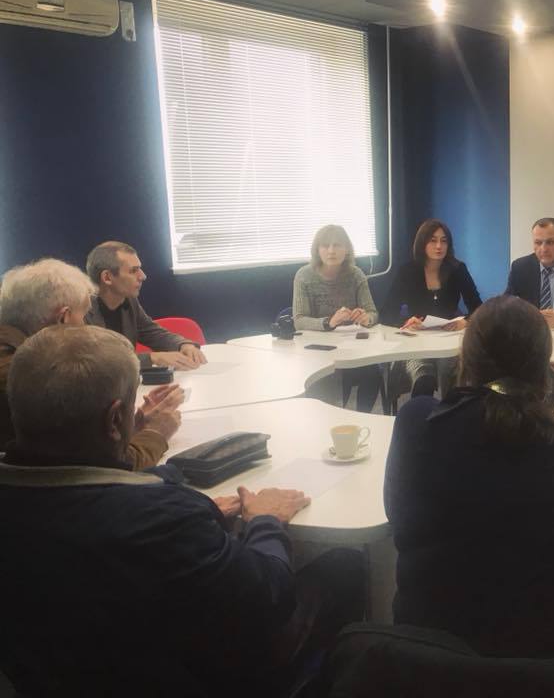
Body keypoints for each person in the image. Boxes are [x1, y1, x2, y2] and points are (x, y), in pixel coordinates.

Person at [0, 325, 364, 696]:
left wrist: (179, 490)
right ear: (114, 421)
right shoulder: (163, 520)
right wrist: (265, 521)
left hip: (55, 671)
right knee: (345, 563)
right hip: (191, 674)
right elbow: (270, 598)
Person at [384, 295, 554, 696]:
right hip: (553, 662)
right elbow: (528, 430)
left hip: (429, 658)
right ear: (545, 364)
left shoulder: (417, 422)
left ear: (465, 358)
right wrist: (548, 399)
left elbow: (398, 513)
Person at [0, 258, 182, 470]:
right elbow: (104, 466)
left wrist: (126, 426)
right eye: (85, 316)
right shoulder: (39, 377)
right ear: (63, 320)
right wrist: (156, 434)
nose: (86, 325)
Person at [381, 219, 483, 397]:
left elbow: (478, 308)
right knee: (423, 378)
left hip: (448, 336)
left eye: (444, 241)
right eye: (432, 240)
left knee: (451, 372)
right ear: (422, 243)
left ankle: (449, 411)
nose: (439, 246)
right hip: (417, 338)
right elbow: (386, 314)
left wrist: (465, 321)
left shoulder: (457, 269)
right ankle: (422, 411)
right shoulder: (408, 271)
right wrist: (407, 322)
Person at [293, 224, 382, 412]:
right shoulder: (304, 276)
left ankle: (361, 416)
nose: (331, 251)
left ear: (347, 249)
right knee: (331, 383)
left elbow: (373, 313)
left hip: (351, 346)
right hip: (317, 349)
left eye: (337, 245)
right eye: (325, 245)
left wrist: (366, 318)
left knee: (373, 371)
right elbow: (299, 320)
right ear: (317, 250)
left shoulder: (356, 275)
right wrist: (329, 322)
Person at [85, 240, 207, 370]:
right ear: (107, 278)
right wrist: (152, 358)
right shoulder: (80, 310)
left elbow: (152, 333)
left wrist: (183, 345)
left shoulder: (128, 300)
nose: (143, 276)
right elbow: (96, 362)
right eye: (133, 271)